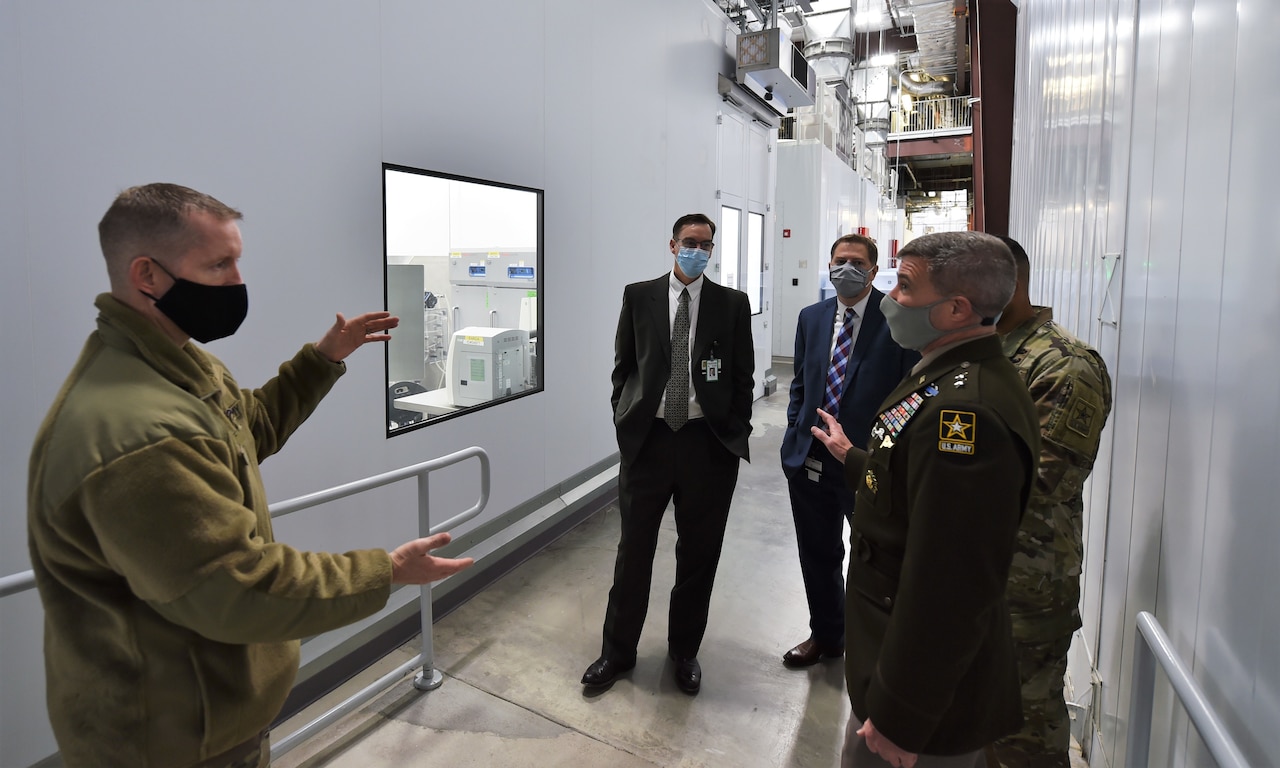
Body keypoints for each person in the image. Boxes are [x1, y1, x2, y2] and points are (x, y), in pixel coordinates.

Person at [27, 183, 474, 768]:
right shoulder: (138, 432)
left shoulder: (180, 364)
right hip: (171, 742)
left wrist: (324, 358)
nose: (238, 281)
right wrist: (384, 573)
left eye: (237, 260)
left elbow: (251, 426)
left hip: (212, 719)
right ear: (147, 275)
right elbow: (237, 585)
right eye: (218, 264)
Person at [811, 231, 1040, 768]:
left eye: (905, 287)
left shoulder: (966, 415)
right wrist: (851, 457)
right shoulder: (941, 377)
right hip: (892, 668)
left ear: (956, 308)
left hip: (916, 710)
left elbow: (950, 585)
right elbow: (909, 484)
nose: (891, 299)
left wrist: (901, 715)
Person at [581, 213, 754, 696]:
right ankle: (617, 652)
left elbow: (743, 376)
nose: (699, 250)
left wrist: (733, 430)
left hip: (707, 444)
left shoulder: (732, 304)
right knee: (633, 552)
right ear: (673, 245)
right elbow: (624, 368)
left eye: (707, 244)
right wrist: (624, 417)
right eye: (690, 242)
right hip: (649, 442)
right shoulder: (640, 296)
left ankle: (684, 652)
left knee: (699, 555)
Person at [990, 236, 1113, 768]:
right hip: (974, 578)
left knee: (1023, 737)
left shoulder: (1064, 366)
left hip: (1025, 588)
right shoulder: (982, 354)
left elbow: (1041, 482)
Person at [779, 234, 918, 668]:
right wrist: (795, 429)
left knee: (872, 561)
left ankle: (872, 647)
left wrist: (875, 451)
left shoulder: (897, 319)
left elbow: (908, 396)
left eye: (857, 262)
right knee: (817, 554)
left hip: (866, 464)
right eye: (840, 261)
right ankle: (826, 636)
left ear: (875, 271)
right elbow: (801, 381)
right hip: (810, 458)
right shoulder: (812, 317)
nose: (847, 269)